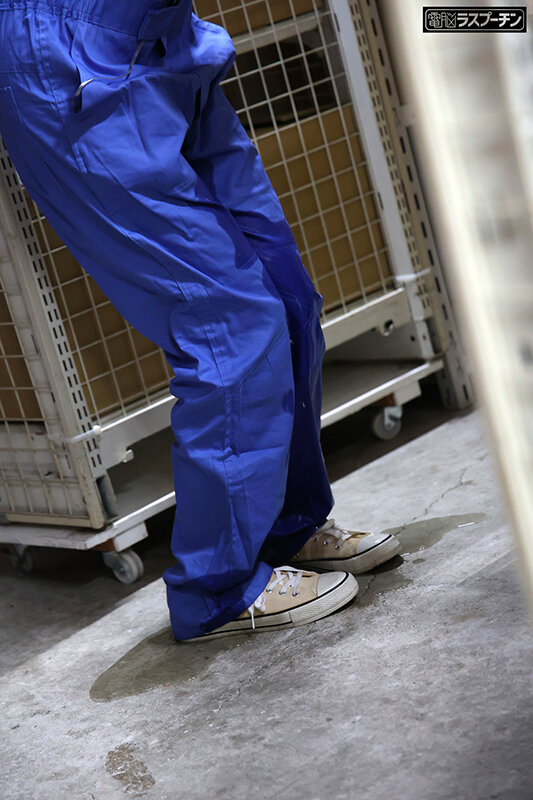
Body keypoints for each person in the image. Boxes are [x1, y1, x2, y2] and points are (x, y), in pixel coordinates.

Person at [0, 0, 400, 641]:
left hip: (163, 35)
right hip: (71, 59)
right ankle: (216, 590)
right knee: (229, 321)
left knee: (288, 295)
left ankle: (285, 528)